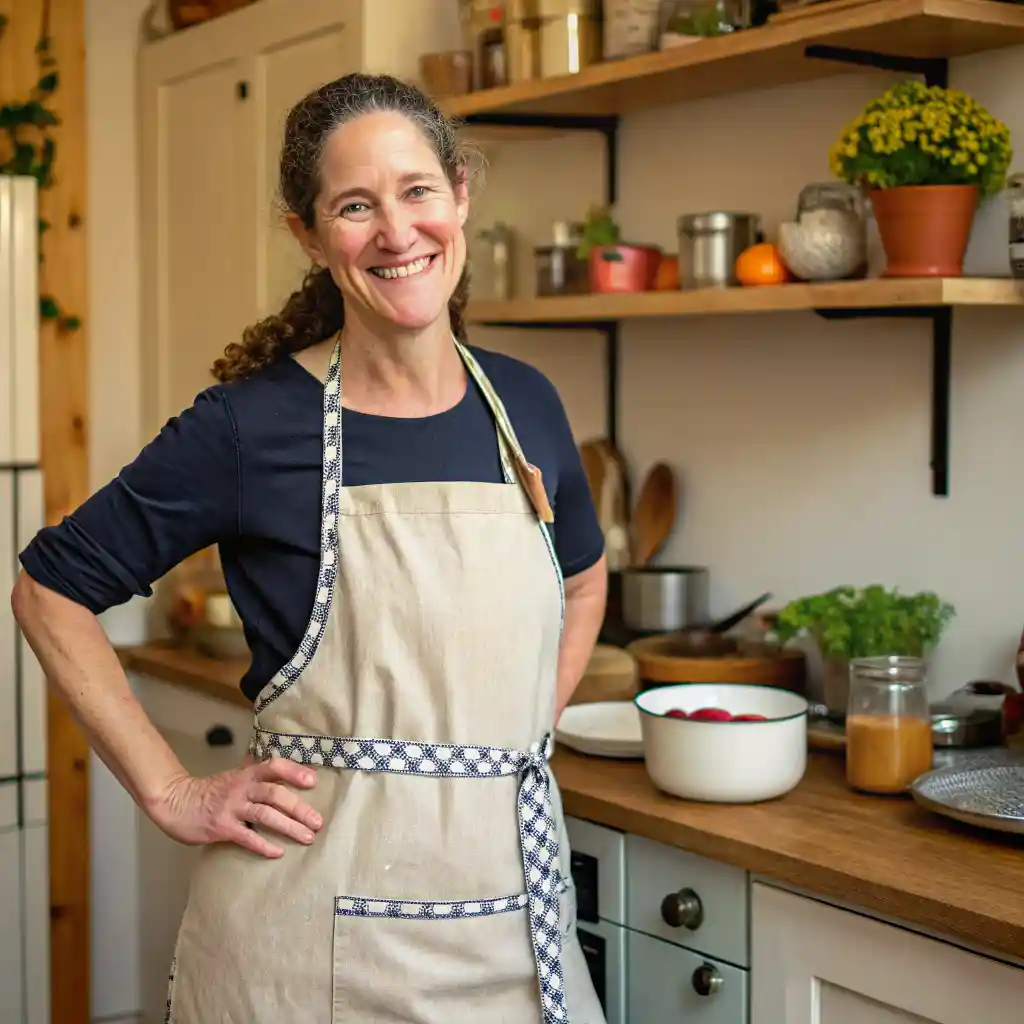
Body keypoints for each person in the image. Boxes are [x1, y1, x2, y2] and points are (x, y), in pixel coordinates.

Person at [12, 73, 608, 1022]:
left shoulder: (526, 402)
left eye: (417, 191)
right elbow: (50, 587)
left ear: (461, 194)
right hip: (307, 951)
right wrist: (170, 792)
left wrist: (511, 738)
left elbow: (582, 580)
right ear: (308, 233)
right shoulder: (251, 428)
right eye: (355, 206)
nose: (397, 232)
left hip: (516, 930)